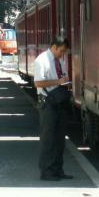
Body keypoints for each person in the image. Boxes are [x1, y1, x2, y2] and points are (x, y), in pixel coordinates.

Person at [34, 36, 72, 181]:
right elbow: (38, 83)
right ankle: (47, 171)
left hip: (59, 101)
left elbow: (61, 78)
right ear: (54, 47)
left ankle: (58, 169)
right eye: (61, 51)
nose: (62, 54)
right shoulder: (41, 60)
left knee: (60, 138)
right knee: (48, 138)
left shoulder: (59, 60)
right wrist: (58, 81)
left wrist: (66, 82)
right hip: (48, 103)